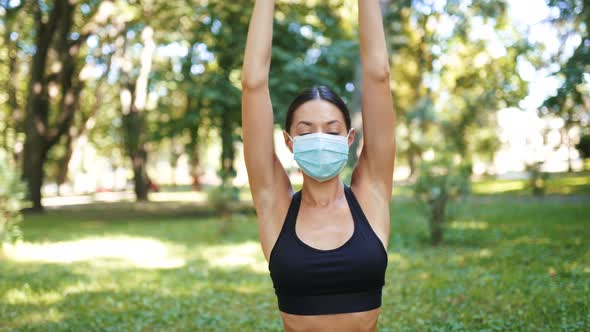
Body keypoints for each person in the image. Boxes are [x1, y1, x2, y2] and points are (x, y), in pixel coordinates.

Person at [241, 0, 396, 331]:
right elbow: (253, 83)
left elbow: (379, 74)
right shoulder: (275, 205)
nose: (320, 138)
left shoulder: (371, 195)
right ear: (288, 142)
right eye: (306, 130)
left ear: (349, 138)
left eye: (332, 129)